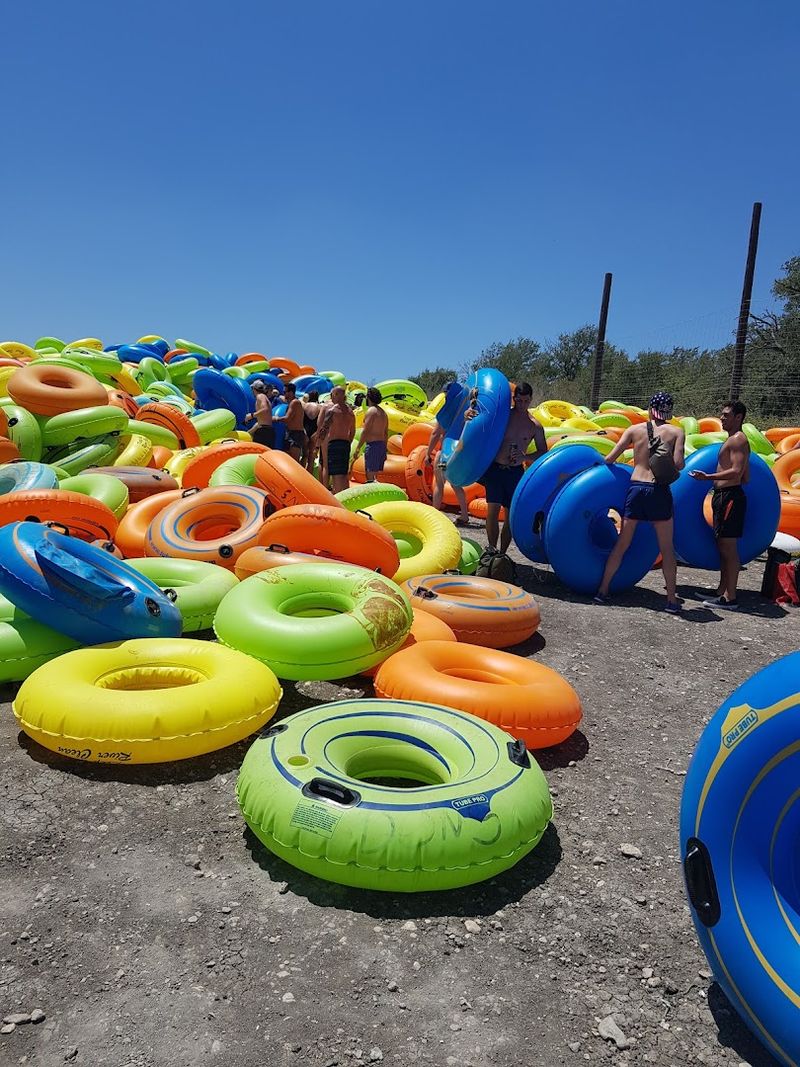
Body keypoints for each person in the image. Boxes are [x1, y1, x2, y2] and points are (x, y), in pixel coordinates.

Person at [593, 391, 685, 613]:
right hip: (659, 491)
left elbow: (610, 458)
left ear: (650, 408)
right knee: (667, 548)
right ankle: (671, 601)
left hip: (636, 489)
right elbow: (679, 464)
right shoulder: (676, 432)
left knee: (622, 544)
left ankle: (602, 591)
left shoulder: (634, 430)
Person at [465, 381, 546, 553]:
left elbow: (542, 451)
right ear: (514, 399)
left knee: (509, 516)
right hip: (495, 468)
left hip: (515, 472)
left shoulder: (535, 426)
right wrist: (468, 415)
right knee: (492, 511)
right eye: (519, 400)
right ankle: (491, 549)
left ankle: (502, 554)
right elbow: (481, 422)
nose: (522, 404)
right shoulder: (504, 416)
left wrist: (525, 457)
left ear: (531, 400)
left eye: (526, 401)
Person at [689, 399, 751, 610]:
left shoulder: (739, 439)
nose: (722, 418)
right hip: (725, 496)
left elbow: (737, 472)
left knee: (728, 548)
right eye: (722, 414)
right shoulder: (734, 439)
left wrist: (708, 477)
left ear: (738, 417)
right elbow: (746, 477)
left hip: (730, 497)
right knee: (722, 546)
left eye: (726, 415)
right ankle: (721, 591)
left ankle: (730, 598)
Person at [424, 421, 470, 526]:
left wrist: (428, 454)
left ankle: (435, 513)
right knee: (456, 484)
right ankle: (464, 514)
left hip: (444, 456)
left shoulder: (446, 416)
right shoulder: (464, 416)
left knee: (439, 484)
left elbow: (435, 433)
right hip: (457, 456)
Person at [315, 385, 355, 493]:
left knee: (332, 471)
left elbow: (322, 429)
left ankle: (331, 494)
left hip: (333, 443)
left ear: (336, 395)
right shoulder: (350, 412)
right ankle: (345, 495)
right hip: (345, 444)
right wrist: (348, 441)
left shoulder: (332, 411)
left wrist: (317, 445)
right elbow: (352, 432)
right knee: (343, 473)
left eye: (333, 395)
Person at [353, 387, 389, 482]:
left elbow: (366, 431)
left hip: (373, 446)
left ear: (368, 398)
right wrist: (385, 448)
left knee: (370, 476)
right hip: (381, 445)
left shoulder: (371, 411)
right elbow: (385, 433)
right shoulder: (383, 413)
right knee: (375, 475)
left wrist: (358, 448)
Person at [273, 382, 306, 463]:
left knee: (294, 462)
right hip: (291, 433)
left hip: (296, 435)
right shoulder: (291, 403)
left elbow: (287, 418)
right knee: (288, 461)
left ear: (291, 392)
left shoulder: (295, 402)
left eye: (285, 392)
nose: (284, 394)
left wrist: (276, 419)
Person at [244, 380, 274, 447]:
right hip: (267, 430)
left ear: (254, 389)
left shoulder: (260, 396)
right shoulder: (264, 397)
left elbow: (265, 409)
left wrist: (252, 415)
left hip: (263, 431)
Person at [302, 390, 322, 471]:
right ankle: (309, 475)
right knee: (311, 457)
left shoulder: (304, 406)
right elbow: (321, 422)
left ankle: (300, 474)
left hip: (305, 430)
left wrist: (303, 430)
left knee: (304, 455)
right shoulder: (320, 407)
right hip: (315, 431)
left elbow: (301, 420)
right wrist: (317, 433)